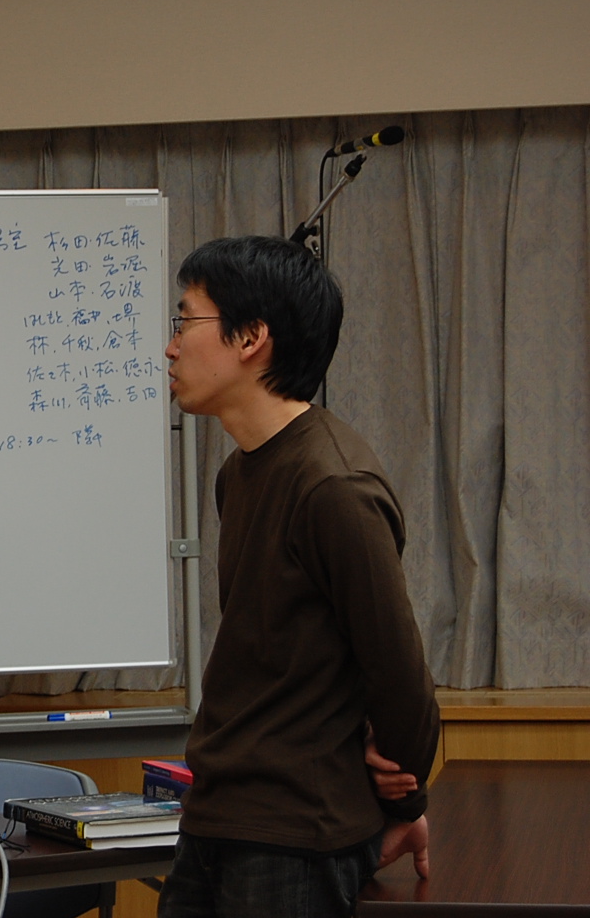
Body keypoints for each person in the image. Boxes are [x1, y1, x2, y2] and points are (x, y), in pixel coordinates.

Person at [157, 235, 439, 918]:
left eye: (185, 321)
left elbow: (399, 676)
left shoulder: (334, 486)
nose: (170, 347)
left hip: (295, 837)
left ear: (251, 337)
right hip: (218, 811)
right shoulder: (239, 472)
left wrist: (405, 802)